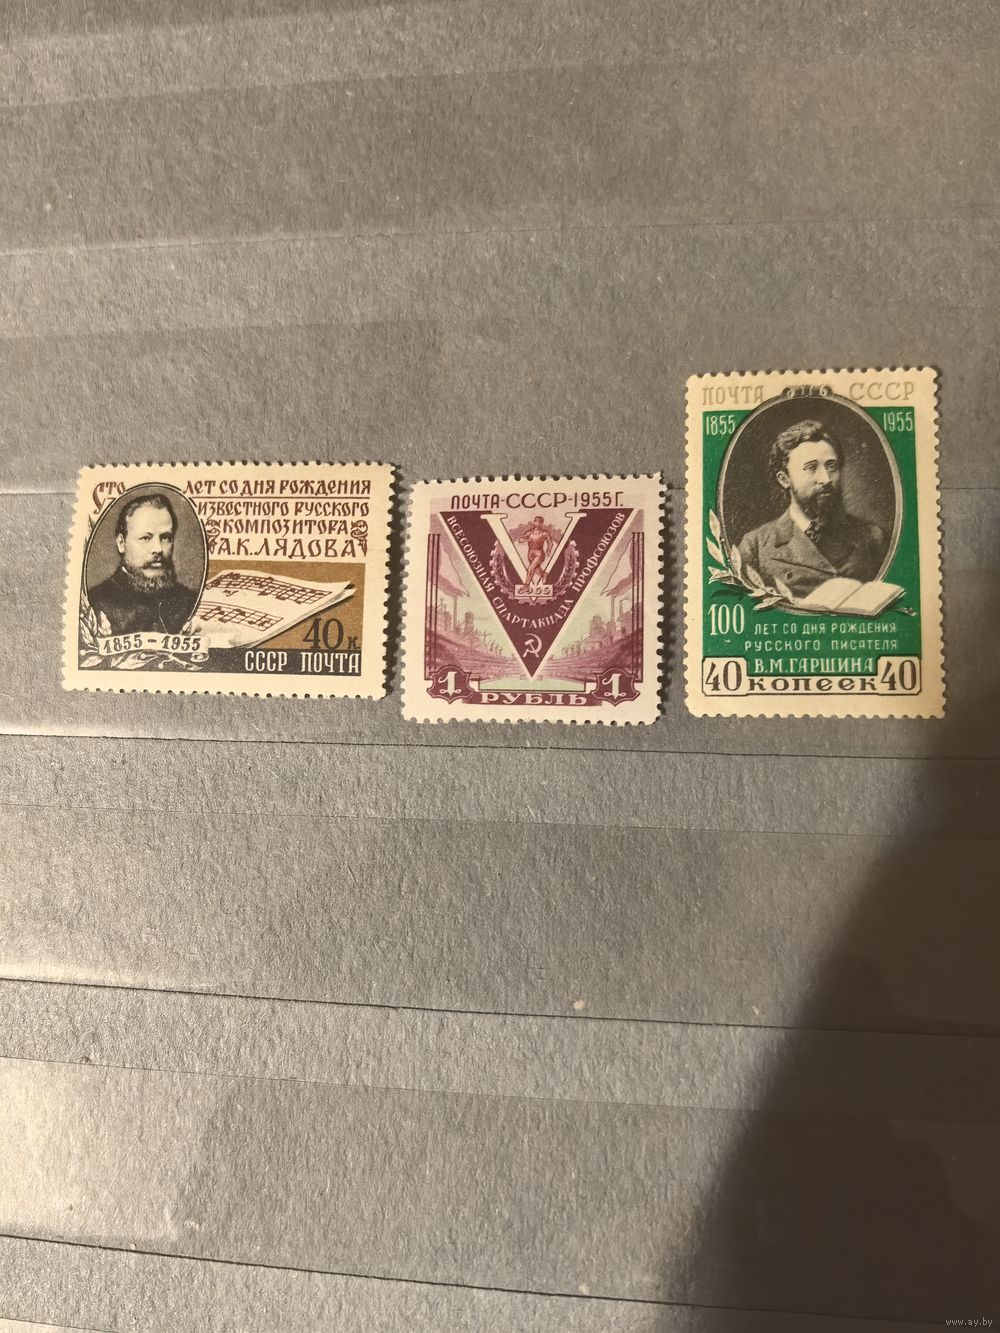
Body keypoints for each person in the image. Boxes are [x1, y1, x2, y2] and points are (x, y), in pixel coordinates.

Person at [737, 419, 887, 599]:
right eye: (811, 468)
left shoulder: (872, 537)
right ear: (784, 479)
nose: (826, 479)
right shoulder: (755, 547)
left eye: (831, 466)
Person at [88, 492, 198, 634]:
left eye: (165, 538)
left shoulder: (190, 602)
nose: (158, 549)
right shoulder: (94, 603)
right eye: (145, 538)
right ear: (121, 543)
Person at [521, 515, 552, 587]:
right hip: (530, 553)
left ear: (541, 523)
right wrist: (527, 540)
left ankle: (526, 585)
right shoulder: (530, 532)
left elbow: (550, 542)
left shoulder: (544, 533)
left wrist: (548, 550)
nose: (536, 523)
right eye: (535, 521)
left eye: (538, 522)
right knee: (535, 569)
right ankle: (544, 574)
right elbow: (520, 539)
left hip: (539, 553)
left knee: (530, 568)